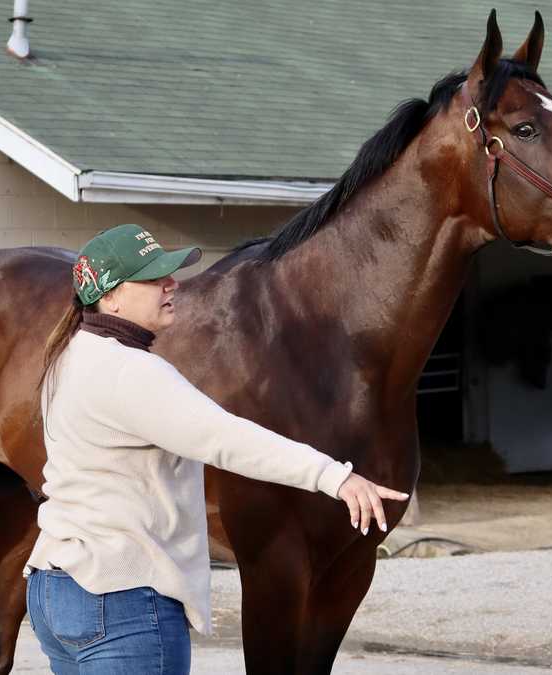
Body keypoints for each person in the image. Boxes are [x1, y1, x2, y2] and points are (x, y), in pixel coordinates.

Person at [23, 223, 408, 675]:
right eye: (152, 278)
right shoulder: (132, 372)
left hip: (56, 589)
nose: (172, 284)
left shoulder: (68, 355)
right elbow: (226, 438)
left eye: (168, 273)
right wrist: (333, 476)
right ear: (110, 298)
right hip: (121, 601)